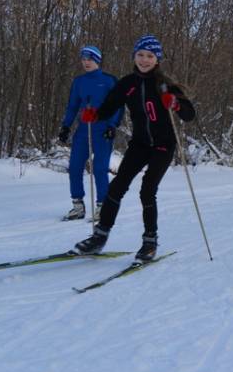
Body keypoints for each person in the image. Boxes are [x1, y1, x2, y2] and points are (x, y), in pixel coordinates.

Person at [71, 35, 196, 262]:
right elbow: (109, 107)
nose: (144, 60)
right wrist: (95, 115)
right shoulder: (127, 84)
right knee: (116, 187)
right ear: (134, 56)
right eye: (140, 55)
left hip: (163, 145)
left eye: (150, 56)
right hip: (139, 144)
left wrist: (175, 104)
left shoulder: (164, 84)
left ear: (157, 59)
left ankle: (149, 242)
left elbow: (189, 115)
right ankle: (99, 237)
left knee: (147, 190)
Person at [57, 46, 123, 222]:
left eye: (90, 59)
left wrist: (112, 125)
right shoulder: (79, 82)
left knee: (100, 169)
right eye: (83, 58)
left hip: (102, 131)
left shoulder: (108, 80)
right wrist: (65, 126)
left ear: (97, 60)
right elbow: (72, 106)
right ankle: (78, 206)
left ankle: (102, 207)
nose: (86, 62)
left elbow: (118, 104)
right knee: (74, 167)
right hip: (83, 131)